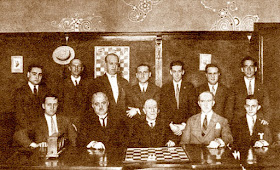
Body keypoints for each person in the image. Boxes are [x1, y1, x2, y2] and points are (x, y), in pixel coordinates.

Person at [160, 60, 197, 144]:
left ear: (183, 72)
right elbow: (162, 109)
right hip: (169, 128)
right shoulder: (165, 88)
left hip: (186, 128)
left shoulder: (190, 87)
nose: (177, 74)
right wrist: (171, 125)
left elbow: (193, 109)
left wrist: (183, 125)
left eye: (179, 71)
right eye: (174, 71)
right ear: (170, 72)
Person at [231, 56, 271, 124]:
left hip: (258, 123)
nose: (249, 69)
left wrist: (266, 120)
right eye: (246, 66)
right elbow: (230, 108)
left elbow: (267, 107)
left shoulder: (262, 86)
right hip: (239, 124)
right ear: (242, 69)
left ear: (255, 69)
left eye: (251, 66)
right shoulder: (234, 86)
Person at [92, 53, 132, 120]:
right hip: (105, 120)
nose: (114, 66)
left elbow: (129, 102)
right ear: (105, 65)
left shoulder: (124, 82)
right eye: (111, 63)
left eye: (116, 64)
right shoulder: (97, 82)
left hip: (122, 120)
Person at [14, 64, 50, 129]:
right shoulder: (19, 92)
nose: (37, 77)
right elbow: (19, 115)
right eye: (34, 74)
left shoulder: (46, 91)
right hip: (25, 129)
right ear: (28, 74)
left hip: (43, 129)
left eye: (40, 75)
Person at [59, 59, 90, 131]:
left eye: (78, 66)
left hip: (83, 121)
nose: (76, 68)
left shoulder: (88, 84)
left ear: (82, 69)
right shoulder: (61, 84)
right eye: (74, 66)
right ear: (69, 68)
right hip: (67, 121)